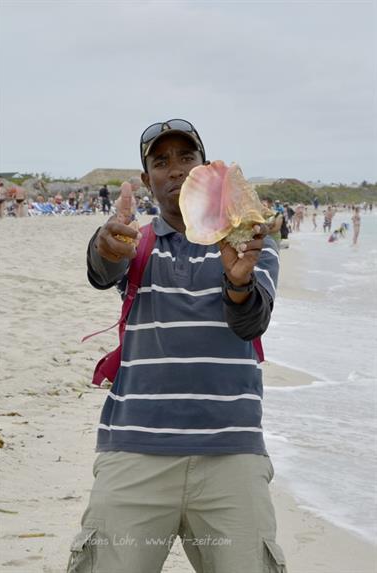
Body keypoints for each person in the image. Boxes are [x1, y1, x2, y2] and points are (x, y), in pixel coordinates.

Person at [67, 119, 286, 573]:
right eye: (160, 162)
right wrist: (104, 246)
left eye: (186, 158)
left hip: (232, 455)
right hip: (135, 453)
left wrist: (238, 282)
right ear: (147, 181)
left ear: (205, 169)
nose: (175, 170)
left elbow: (251, 322)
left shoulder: (252, 245)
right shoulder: (135, 244)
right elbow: (101, 269)